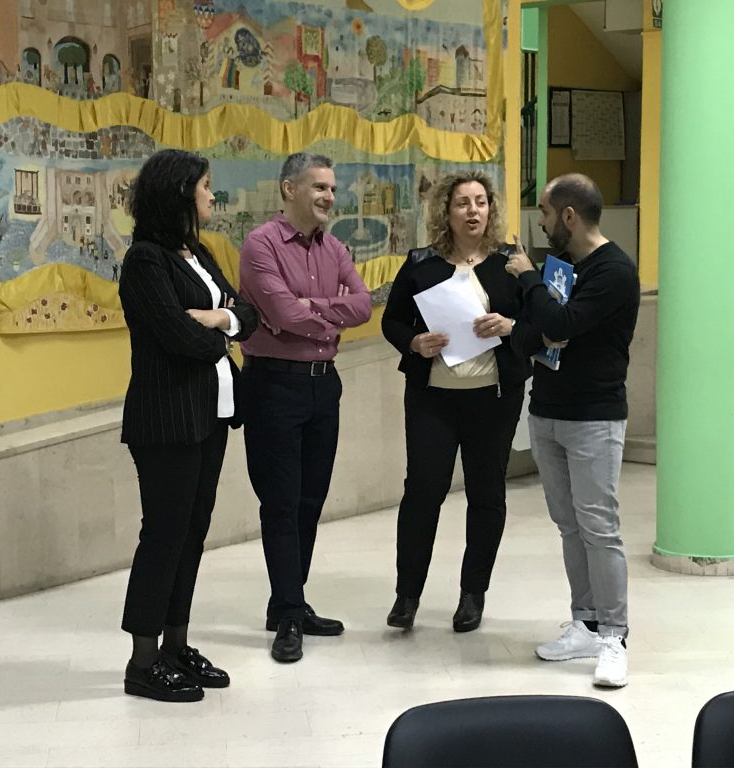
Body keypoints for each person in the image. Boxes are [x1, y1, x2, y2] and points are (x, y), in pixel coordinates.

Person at [118, 149, 259, 702]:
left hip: (210, 414)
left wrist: (221, 317)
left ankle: (176, 646)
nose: (211, 195)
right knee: (164, 535)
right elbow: (175, 337)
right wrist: (221, 333)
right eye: (204, 186)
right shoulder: (145, 260)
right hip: (166, 418)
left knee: (192, 534)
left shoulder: (196, 252)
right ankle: (142, 661)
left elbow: (248, 313)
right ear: (179, 192)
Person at [381, 170, 534, 632]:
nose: (473, 211)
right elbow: (392, 322)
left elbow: (537, 320)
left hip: (494, 398)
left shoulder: (511, 264)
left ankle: (473, 594)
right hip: (433, 400)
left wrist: (509, 326)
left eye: (481, 202)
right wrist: (414, 342)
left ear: (491, 209)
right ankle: (407, 594)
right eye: (463, 203)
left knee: (487, 494)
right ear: (446, 211)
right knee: (422, 492)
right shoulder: (421, 263)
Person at [505, 173, 640, 688]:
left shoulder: (614, 271)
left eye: (543, 211)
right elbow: (528, 334)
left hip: (595, 419)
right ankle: (585, 623)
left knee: (599, 527)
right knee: (568, 525)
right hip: (547, 411)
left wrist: (528, 279)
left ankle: (614, 637)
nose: (539, 222)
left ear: (568, 215)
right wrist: (535, 320)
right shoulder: (561, 268)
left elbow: (558, 324)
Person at [238, 152, 372, 663]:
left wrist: (311, 309)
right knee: (281, 502)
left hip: (323, 386)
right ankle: (290, 614)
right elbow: (280, 312)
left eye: (332, 189)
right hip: (273, 385)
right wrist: (324, 314)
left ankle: (287, 603)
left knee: (311, 500)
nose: (329, 197)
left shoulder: (334, 247)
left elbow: (362, 306)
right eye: (319, 187)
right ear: (289, 189)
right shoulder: (261, 244)